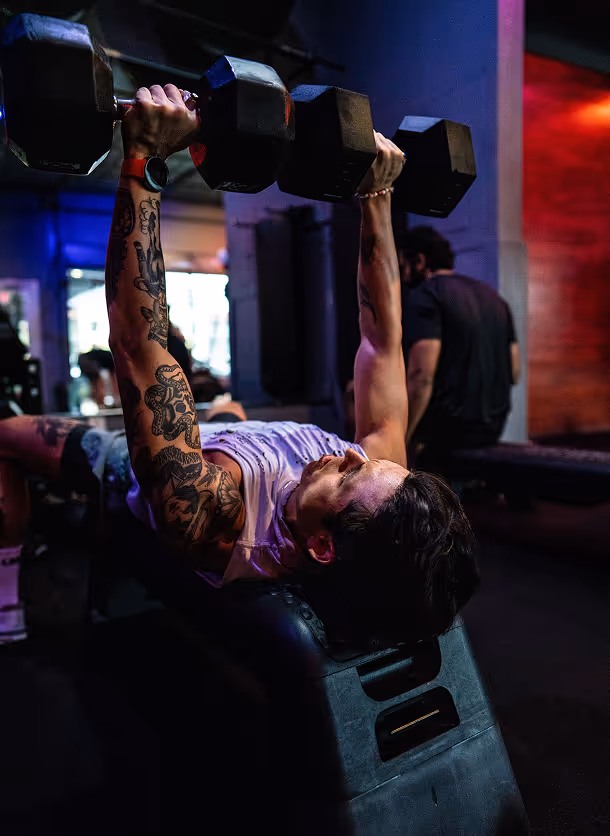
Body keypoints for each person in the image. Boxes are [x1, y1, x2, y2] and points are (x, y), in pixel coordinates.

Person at [0, 85, 479, 647]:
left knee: (5, 435)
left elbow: (139, 347)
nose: (354, 453)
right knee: (231, 405)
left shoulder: (212, 513)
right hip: (236, 431)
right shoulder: (380, 495)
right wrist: (377, 195)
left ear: (323, 547)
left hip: (131, 469)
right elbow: (381, 341)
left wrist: (145, 162)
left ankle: (6, 593)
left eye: (350, 473)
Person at [399, 226, 520, 461]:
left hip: (447, 433)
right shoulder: (494, 298)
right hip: (493, 428)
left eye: (402, 264)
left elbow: (421, 376)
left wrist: (405, 439)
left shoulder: (426, 295)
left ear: (420, 261)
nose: (400, 274)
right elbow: (514, 373)